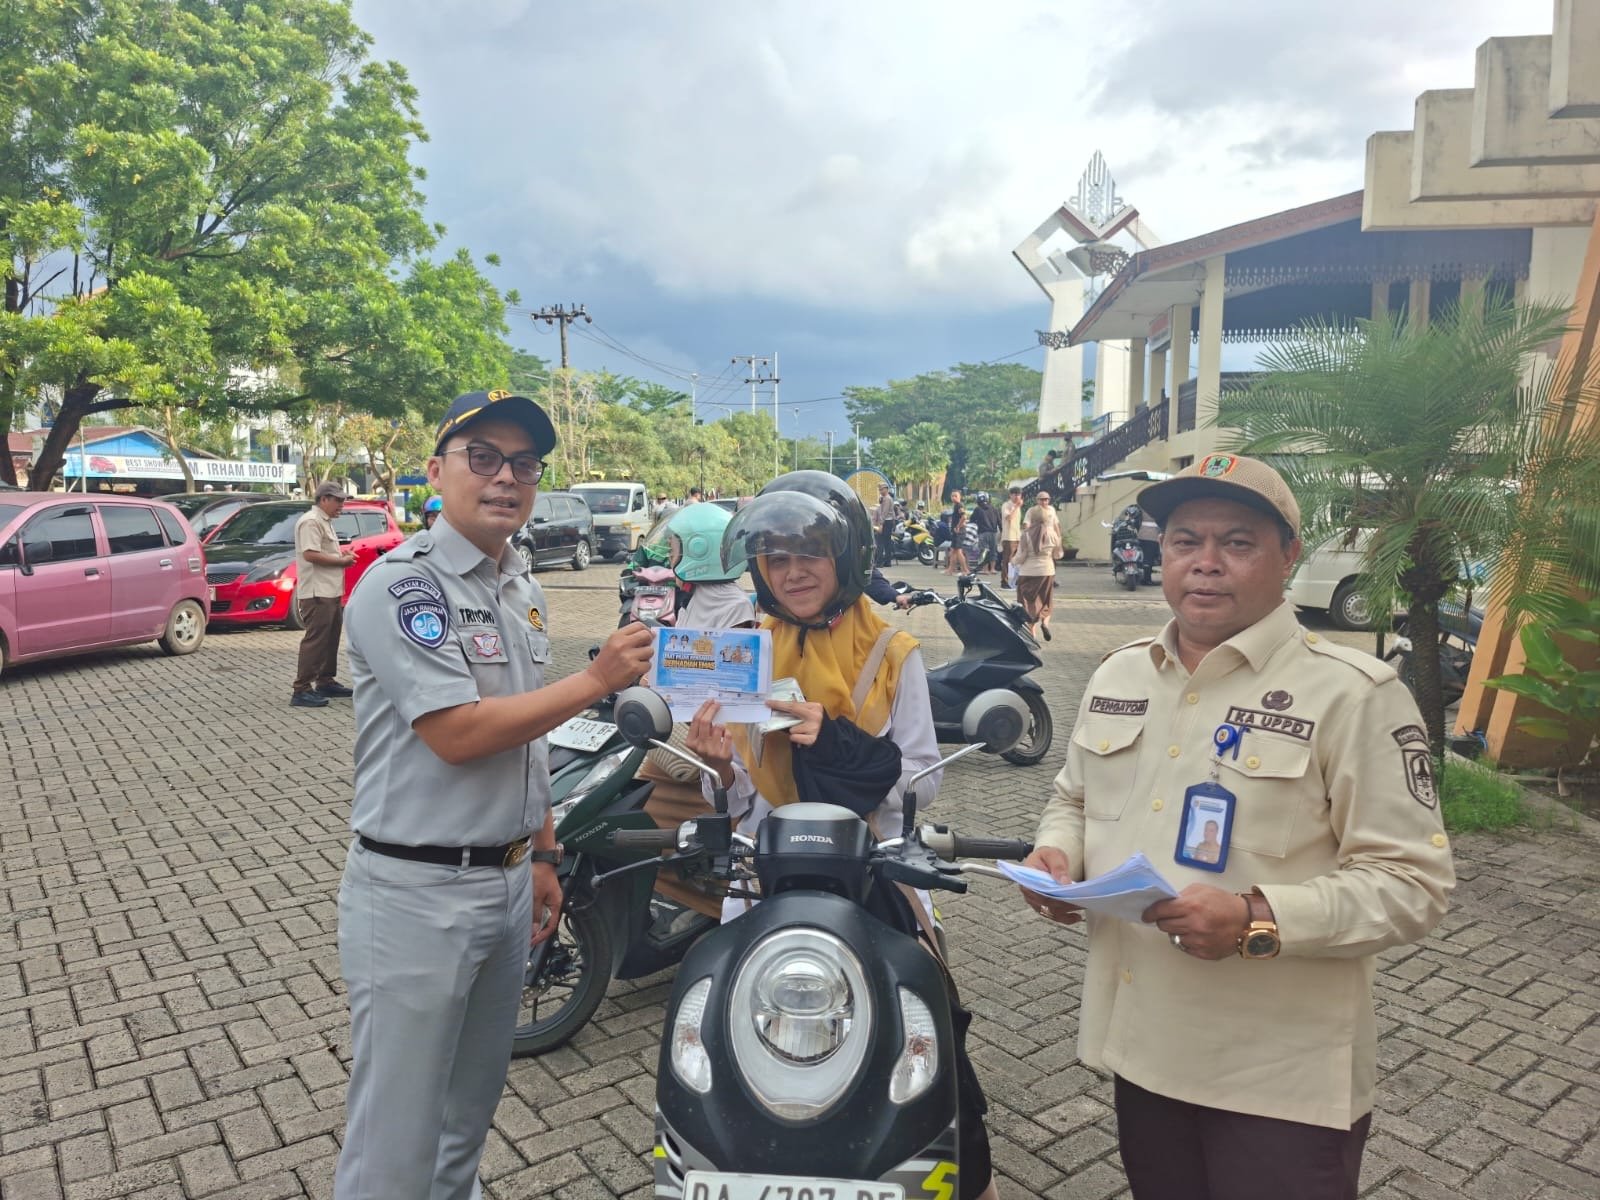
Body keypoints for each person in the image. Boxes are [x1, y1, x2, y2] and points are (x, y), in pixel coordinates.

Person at [1017, 453, 1454, 1200]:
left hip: (1278, 1079)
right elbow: (1075, 799)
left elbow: (1414, 885)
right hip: (1145, 1052)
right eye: (1185, 541)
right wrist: (1058, 855)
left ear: (1289, 556)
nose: (1206, 564)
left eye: (1238, 543)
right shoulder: (1120, 675)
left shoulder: (1354, 696)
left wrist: (1257, 918)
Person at [334, 389, 655, 1200]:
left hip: (508, 882)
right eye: (483, 457)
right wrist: (596, 681)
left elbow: (522, 741)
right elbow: (459, 732)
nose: (505, 477)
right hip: (417, 891)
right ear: (437, 471)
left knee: (465, 1117)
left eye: (523, 463)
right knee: (395, 1140)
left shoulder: (520, 585)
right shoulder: (404, 588)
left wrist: (544, 850)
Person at [682, 478, 1000, 1200]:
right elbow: (730, 798)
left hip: (873, 877)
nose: (791, 571)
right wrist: (717, 763)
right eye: (774, 556)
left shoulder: (892, 649)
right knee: (722, 1053)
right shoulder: (743, 648)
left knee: (931, 1043)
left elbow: (922, 782)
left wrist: (835, 742)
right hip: (760, 882)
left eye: (810, 553)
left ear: (847, 556)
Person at [290, 482, 357, 708]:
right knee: (316, 641)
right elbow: (310, 554)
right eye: (338, 501)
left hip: (329, 590)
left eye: (343, 500)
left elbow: (322, 552)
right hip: (317, 592)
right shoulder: (311, 521)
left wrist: (341, 555)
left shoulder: (323, 521)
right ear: (324, 499)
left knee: (330, 639)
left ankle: (325, 680)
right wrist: (341, 561)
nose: (342, 505)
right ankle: (301, 689)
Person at [668, 502, 755, 629]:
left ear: (698, 551)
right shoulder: (695, 596)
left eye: (672, 551)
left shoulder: (735, 607)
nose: (669, 559)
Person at [1014, 494, 1061, 642]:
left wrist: (1012, 560)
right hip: (1047, 572)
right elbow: (1058, 554)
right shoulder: (1053, 535)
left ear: (1032, 518)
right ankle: (1045, 623)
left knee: (1028, 603)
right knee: (1046, 602)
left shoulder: (1026, 535)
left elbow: (1021, 557)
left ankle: (1031, 634)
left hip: (1027, 573)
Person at [998, 486, 1024, 588]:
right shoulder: (1007, 505)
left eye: (1019, 495)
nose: (1017, 497)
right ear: (1011, 495)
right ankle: (1004, 581)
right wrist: (1016, 506)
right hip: (1009, 537)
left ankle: (1015, 580)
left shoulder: (1018, 507)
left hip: (1017, 536)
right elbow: (1009, 517)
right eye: (1015, 494)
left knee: (1018, 560)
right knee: (1007, 560)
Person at [971, 492, 1000, 574]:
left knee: (984, 551)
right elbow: (999, 521)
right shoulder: (994, 509)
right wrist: (1002, 531)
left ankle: (985, 569)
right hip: (994, 533)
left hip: (983, 533)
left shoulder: (978, 509)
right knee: (993, 551)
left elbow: (972, 520)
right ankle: (993, 569)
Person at [871, 481, 897, 568]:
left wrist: (881, 524)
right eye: (879, 489)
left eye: (882, 489)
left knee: (880, 542)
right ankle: (887, 561)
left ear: (886, 489)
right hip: (888, 522)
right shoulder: (886, 498)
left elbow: (884, 512)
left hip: (885, 522)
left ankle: (879, 562)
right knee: (887, 542)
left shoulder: (887, 499)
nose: (881, 491)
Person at [946, 501, 970, 577]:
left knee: (958, 551)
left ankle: (965, 570)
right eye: (952, 496)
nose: (953, 498)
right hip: (956, 532)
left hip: (959, 532)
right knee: (953, 551)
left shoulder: (959, 505)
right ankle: (950, 570)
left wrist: (958, 526)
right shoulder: (956, 506)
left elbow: (964, 517)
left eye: (955, 496)